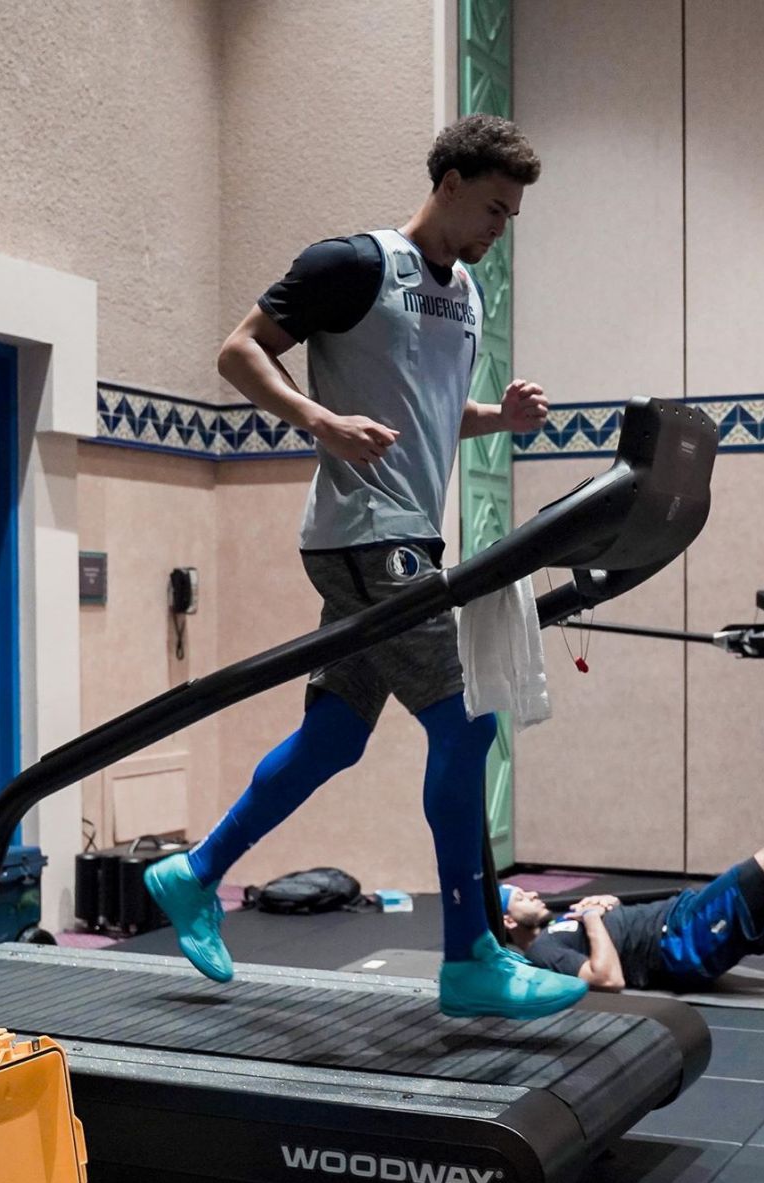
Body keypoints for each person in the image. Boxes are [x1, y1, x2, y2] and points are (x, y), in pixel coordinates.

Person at [145, 114, 588, 1021]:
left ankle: (194, 874)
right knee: (465, 723)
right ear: (449, 183)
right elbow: (238, 351)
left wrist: (496, 419)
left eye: (510, 217)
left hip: (399, 534)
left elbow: (426, 411)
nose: (500, 231)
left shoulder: (464, 293)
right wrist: (316, 420)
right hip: (365, 534)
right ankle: (470, 956)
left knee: (335, 737)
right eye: (493, 210)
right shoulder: (352, 265)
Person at [500, 838, 764, 991]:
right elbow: (608, 979)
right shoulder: (542, 950)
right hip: (683, 940)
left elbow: (619, 935)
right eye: (521, 897)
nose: (532, 893)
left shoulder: (558, 923)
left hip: (685, 919)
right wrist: (594, 919)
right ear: (508, 921)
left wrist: (609, 907)